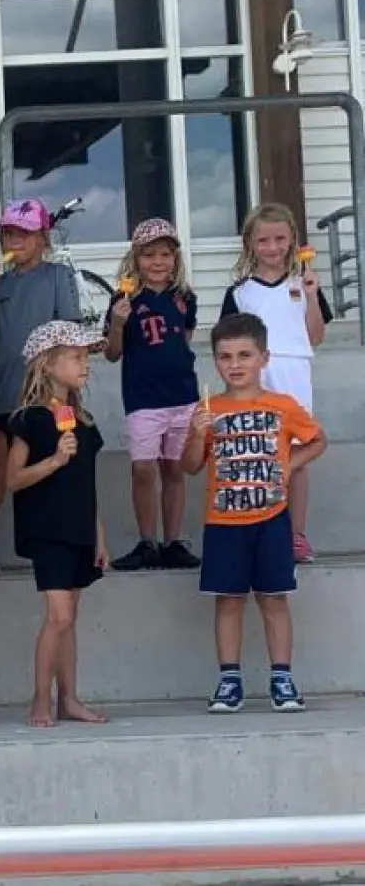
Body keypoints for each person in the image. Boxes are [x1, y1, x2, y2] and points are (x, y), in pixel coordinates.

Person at [182, 313, 326, 714]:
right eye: (225, 356)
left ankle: (282, 677)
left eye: (245, 354)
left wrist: (289, 465)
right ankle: (230, 680)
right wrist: (196, 433)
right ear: (215, 362)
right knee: (228, 600)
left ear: (264, 357)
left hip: (271, 519)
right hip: (224, 522)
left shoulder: (282, 405)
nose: (235, 364)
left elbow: (317, 440)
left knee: (274, 598)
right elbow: (189, 465)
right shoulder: (207, 408)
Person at [5, 321, 112, 728]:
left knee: (71, 621)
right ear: (48, 364)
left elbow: (89, 486)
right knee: (59, 617)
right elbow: (13, 479)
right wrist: (53, 460)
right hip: (46, 529)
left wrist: (98, 536)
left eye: (86, 356)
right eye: (75, 356)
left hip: (79, 529)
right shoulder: (31, 419)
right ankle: (39, 700)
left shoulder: (83, 421)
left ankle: (69, 698)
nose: (85, 364)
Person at [219, 203, 332, 563]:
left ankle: (295, 534)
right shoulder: (239, 293)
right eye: (263, 240)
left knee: (296, 454)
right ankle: (252, 532)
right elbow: (229, 344)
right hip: (254, 375)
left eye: (280, 239)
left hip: (294, 372)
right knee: (255, 451)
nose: (272, 247)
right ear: (250, 243)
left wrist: (313, 295)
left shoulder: (304, 284)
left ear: (292, 240)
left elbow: (315, 336)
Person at [0, 199, 83, 557]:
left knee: (57, 466)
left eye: (23, 234)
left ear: (42, 237)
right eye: (7, 234)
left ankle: (58, 543)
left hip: (51, 395)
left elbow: (69, 331)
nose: (14, 241)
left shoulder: (58, 276)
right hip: (6, 393)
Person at [102, 219, 202, 571]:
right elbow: (112, 353)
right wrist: (117, 322)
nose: (157, 262)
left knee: (174, 467)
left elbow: (183, 341)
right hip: (143, 397)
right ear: (136, 259)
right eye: (149, 255)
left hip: (181, 395)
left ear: (175, 258)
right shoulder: (123, 299)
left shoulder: (184, 297)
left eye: (165, 255)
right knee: (143, 468)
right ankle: (147, 541)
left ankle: (173, 541)